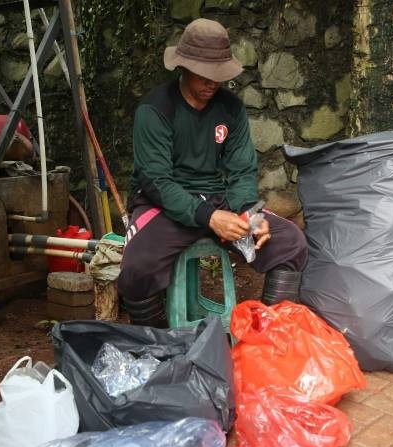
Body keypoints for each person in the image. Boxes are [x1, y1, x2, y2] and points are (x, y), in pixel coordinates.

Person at [118, 18, 308, 327]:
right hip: (163, 205)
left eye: (218, 75)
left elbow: (242, 169)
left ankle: (268, 335)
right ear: (184, 68)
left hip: (217, 199)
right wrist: (208, 217)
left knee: (291, 242)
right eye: (205, 75)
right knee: (137, 268)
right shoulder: (154, 110)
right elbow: (157, 182)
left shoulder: (230, 108)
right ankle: (159, 345)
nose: (212, 83)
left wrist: (250, 214)